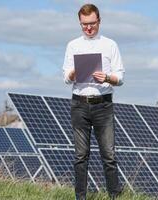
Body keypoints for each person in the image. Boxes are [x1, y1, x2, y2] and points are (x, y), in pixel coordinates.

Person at [62, 3, 124, 200]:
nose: (88, 28)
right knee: (81, 156)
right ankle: (80, 197)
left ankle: (114, 195)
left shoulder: (110, 45)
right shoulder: (73, 45)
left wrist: (106, 77)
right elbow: (66, 77)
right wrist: (75, 72)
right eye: (84, 24)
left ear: (99, 21)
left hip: (103, 105)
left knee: (109, 155)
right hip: (79, 104)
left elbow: (120, 77)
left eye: (92, 23)